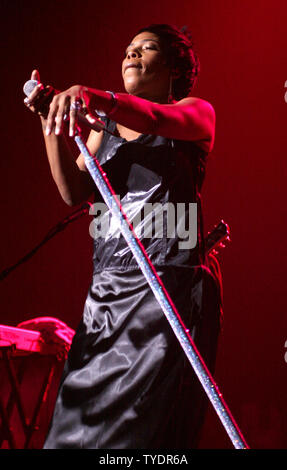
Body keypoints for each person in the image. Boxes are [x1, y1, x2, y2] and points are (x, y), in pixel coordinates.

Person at [24, 23, 222, 449]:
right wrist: (49, 123)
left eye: (146, 49)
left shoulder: (195, 112)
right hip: (106, 295)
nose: (131, 55)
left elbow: (151, 116)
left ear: (173, 68)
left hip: (163, 292)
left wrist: (99, 98)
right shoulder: (103, 129)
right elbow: (73, 192)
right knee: (72, 432)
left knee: (139, 435)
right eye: (128, 49)